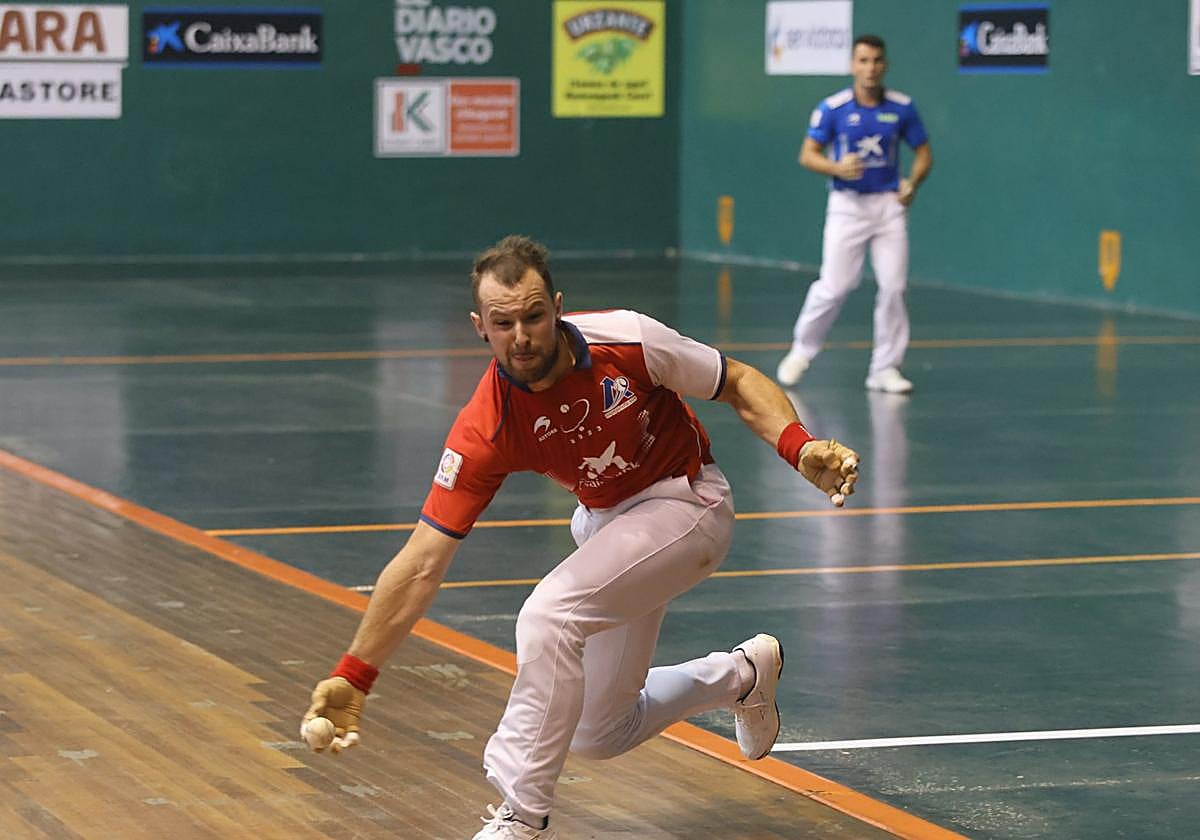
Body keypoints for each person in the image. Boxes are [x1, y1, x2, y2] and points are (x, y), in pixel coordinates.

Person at [301, 235, 860, 840]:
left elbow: (738, 381)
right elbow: (420, 564)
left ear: (557, 308)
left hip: (688, 504)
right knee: (599, 732)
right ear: (479, 329)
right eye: (503, 322)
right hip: (611, 525)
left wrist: (797, 445)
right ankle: (742, 676)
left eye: (534, 316)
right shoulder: (485, 427)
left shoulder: (628, 339)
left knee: (549, 615)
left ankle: (522, 814)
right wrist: (355, 673)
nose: (522, 336)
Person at [777, 34, 933, 394]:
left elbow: (924, 154)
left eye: (877, 60)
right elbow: (807, 154)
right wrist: (835, 167)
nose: (870, 68)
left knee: (894, 287)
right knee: (834, 287)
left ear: (886, 65)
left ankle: (885, 368)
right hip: (847, 208)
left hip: (889, 207)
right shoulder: (833, 108)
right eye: (863, 61)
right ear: (852, 65)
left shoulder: (903, 107)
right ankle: (802, 350)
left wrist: (913, 182)